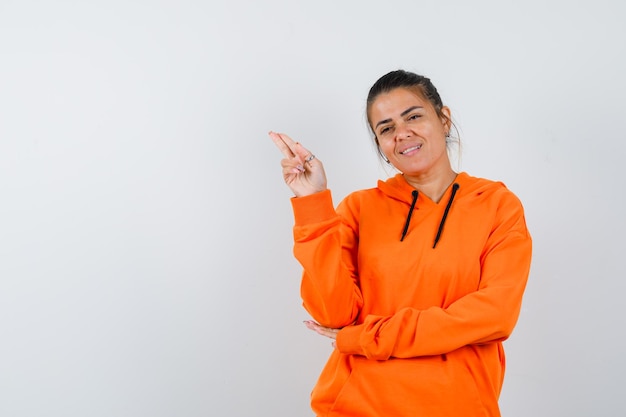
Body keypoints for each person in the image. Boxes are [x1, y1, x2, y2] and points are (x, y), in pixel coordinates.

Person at [269, 69, 532, 417]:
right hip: (357, 407)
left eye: (414, 116)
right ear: (380, 143)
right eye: (386, 128)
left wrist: (368, 337)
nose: (402, 133)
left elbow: (494, 315)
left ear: (444, 119)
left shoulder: (496, 205)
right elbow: (333, 313)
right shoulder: (360, 209)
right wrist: (313, 204)